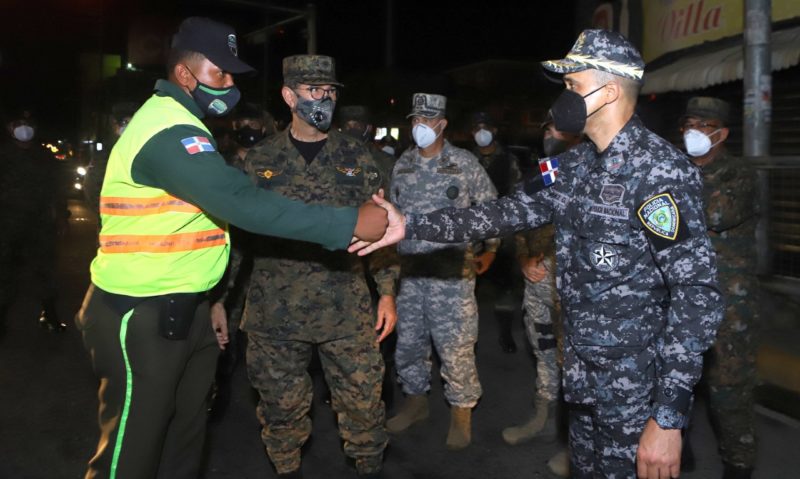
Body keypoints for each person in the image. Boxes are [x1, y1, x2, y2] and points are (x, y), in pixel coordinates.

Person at [352, 30, 724, 479]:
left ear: (608, 91)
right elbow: (504, 213)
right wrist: (410, 225)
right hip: (581, 374)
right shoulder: (574, 165)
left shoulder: (659, 171)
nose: (561, 99)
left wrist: (667, 417)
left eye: (572, 86)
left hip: (636, 387)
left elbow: (696, 296)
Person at [74, 18, 388, 479]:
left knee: (183, 436)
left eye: (329, 91)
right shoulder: (172, 132)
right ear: (186, 74)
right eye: (220, 74)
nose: (229, 86)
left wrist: (212, 301)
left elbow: (213, 228)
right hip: (147, 310)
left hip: (198, 307)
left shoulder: (188, 126)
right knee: (135, 450)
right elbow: (241, 210)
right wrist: (348, 223)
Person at [213, 54, 399, 479]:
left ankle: (369, 468)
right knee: (280, 411)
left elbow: (383, 227)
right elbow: (236, 239)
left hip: (347, 308)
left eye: (330, 91)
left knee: (365, 407)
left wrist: (386, 291)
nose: (324, 99)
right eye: (314, 91)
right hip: (274, 312)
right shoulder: (258, 161)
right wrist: (220, 298)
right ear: (287, 96)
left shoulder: (358, 156)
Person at [384, 93, 499, 450]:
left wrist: (491, 249)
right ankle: (416, 402)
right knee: (409, 343)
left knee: (456, 346)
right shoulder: (402, 163)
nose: (420, 126)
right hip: (411, 273)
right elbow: (391, 214)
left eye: (428, 120)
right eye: (415, 120)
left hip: (452, 273)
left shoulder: (463, 163)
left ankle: (461, 413)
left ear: (443, 124)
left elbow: (491, 209)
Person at [680, 96, 759, 479]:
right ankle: (680, 445)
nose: (692, 133)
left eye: (702, 126)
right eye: (688, 125)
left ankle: (738, 464)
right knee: (679, 377)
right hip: (682, 293)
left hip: (728, 299)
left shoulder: (739, 174)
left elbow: (716, 214)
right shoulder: (677, 169)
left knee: (728, 386)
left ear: (721, 134)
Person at [502, 112, 581, 445]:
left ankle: (573, 436)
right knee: (543, 345)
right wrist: (522, 258)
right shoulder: (540, 175)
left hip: (574, 284)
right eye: (547, 129)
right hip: (537, 279)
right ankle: (542, 415)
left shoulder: (590, 175)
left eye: (558, 129)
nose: (551, 135)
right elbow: (519, 224)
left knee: (575, 356)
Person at [0, 108, 68, 336]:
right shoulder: (3, 156)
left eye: (28, 124)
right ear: (10, 128)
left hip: (38, 223)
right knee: (5, 271)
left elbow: (58, 189)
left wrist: (61, 217)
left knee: (45, 270)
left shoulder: (44, 158)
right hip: (7, 223)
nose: (24, 129)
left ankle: (49, 315)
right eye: (19, 123)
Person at [469, 111, 523, 353]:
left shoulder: (509, 160)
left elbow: (517, 194)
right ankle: (467, 339)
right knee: (468, 286)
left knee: (505, 285)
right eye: (477, 128)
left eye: (486, 127)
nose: (481, 132)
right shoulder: (466, 160)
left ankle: (505, 332)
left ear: (494, 131)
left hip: (501, 228)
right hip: (472, 231)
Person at [84, 101, 137, 218]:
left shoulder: (147, 151)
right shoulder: (105, 156)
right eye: (125, 123)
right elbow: (92, 190)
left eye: (134, 122)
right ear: (116, 126)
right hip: (114, 225)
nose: (129, 127)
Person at [337, 104, 396, 184]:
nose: (351, 129)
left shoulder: (385, 161)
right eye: (347, 126)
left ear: (369, 128)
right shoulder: (329, 156)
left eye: (357, 125)